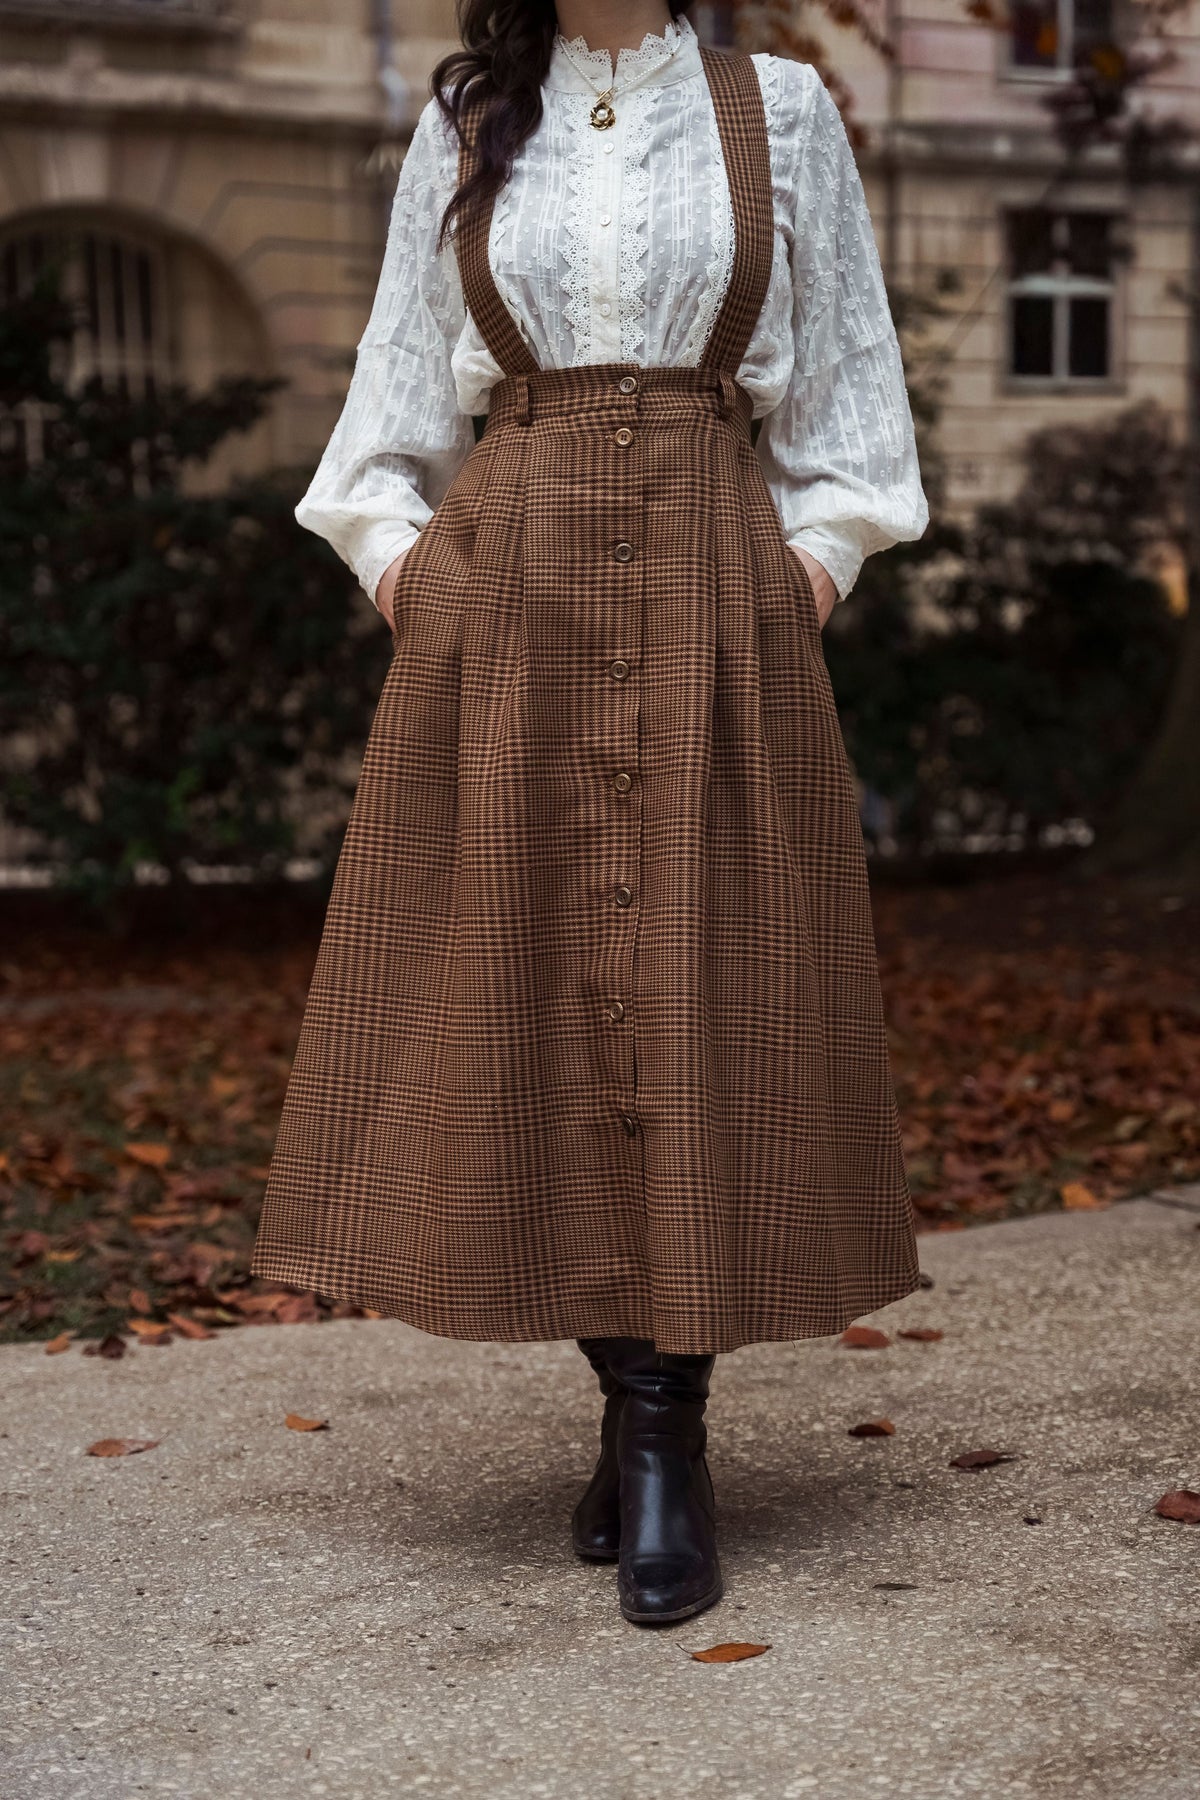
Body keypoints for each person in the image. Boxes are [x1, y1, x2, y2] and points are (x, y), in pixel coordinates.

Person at [251, 0, 930, 1629]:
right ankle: (634, 1411)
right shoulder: (473, 118)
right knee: (531, 1004)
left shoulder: (783, 113)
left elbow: (850, 396)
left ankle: (659, 1433)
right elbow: (395, 390)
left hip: (712, 587)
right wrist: (413, 573)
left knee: (702, 1000)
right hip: (512, 594)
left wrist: (804, 574)